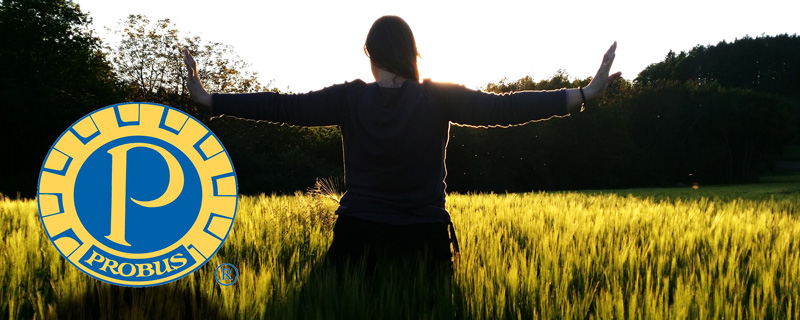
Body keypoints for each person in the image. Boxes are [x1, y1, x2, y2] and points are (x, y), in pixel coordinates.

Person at [183, 15, 620, 273]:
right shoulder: (437, 96)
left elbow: (283, 108)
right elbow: (502, 108)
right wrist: (580, 95)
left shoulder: (349, 98)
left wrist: (211, 99)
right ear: (412, 52)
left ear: (370, 53)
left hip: (357, 238)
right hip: (423, 240)